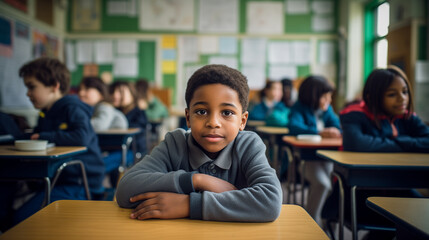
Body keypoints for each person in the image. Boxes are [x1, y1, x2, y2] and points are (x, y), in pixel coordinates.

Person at [115, 64, 282, 222]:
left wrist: (189, 205)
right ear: (188, 117)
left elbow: (270, 202)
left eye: (227, 112)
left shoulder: (248, 145)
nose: (213, 122)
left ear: (242, 121)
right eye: (201, 111)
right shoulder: (175, 143)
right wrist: (197, 180)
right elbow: (125, 191)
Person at [1, 58, 105, 229]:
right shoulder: (45, 113)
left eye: (32, 87)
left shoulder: (72, 107)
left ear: (54, 86)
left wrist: (44, 136)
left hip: (79, 182)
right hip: (56, 178)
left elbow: (82, 136)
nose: (28, 93)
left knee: (21, 221)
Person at [334, 66, 429, 238]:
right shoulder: (354, 115)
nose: (402, 99)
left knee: (422, 217)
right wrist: (407, 144)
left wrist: (400, 141)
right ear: (373, 97)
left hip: (399, 189)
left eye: (405, 92)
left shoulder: (407, 117)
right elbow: (358, 144)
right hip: (360, 195)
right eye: (392, 94)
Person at [287, 75, 341, 225]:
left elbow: (338, 127)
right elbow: (294, 127)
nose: (329, 100)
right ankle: (311, 221)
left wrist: (334, 131)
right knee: (322, 184)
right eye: (325, 96)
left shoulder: (327, 110)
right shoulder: (299, 108)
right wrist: (319, 132)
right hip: (308, 159)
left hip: (328, 158)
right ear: (313, 96)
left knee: (331, 188)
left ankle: (325, 220)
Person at [110, 81, 148, 159]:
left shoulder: (138, 114)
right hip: (113, 149)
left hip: (131, 151)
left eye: (121, 92)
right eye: (113, 91)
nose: (115, 95)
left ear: (132, 95)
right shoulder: (114, 112)